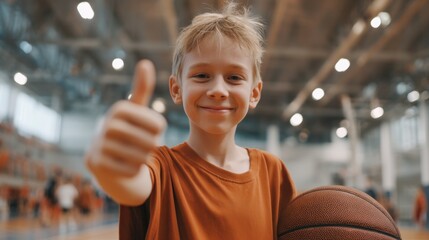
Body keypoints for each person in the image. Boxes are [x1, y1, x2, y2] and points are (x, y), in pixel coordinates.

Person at [85, 2, 297, 239]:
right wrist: (111, 170)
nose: (218, 90)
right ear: (177, 89)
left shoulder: (273, 173)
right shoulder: (159, 166)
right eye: (202, 75)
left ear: (254, 93)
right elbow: (131, 184)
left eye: (234, 77)